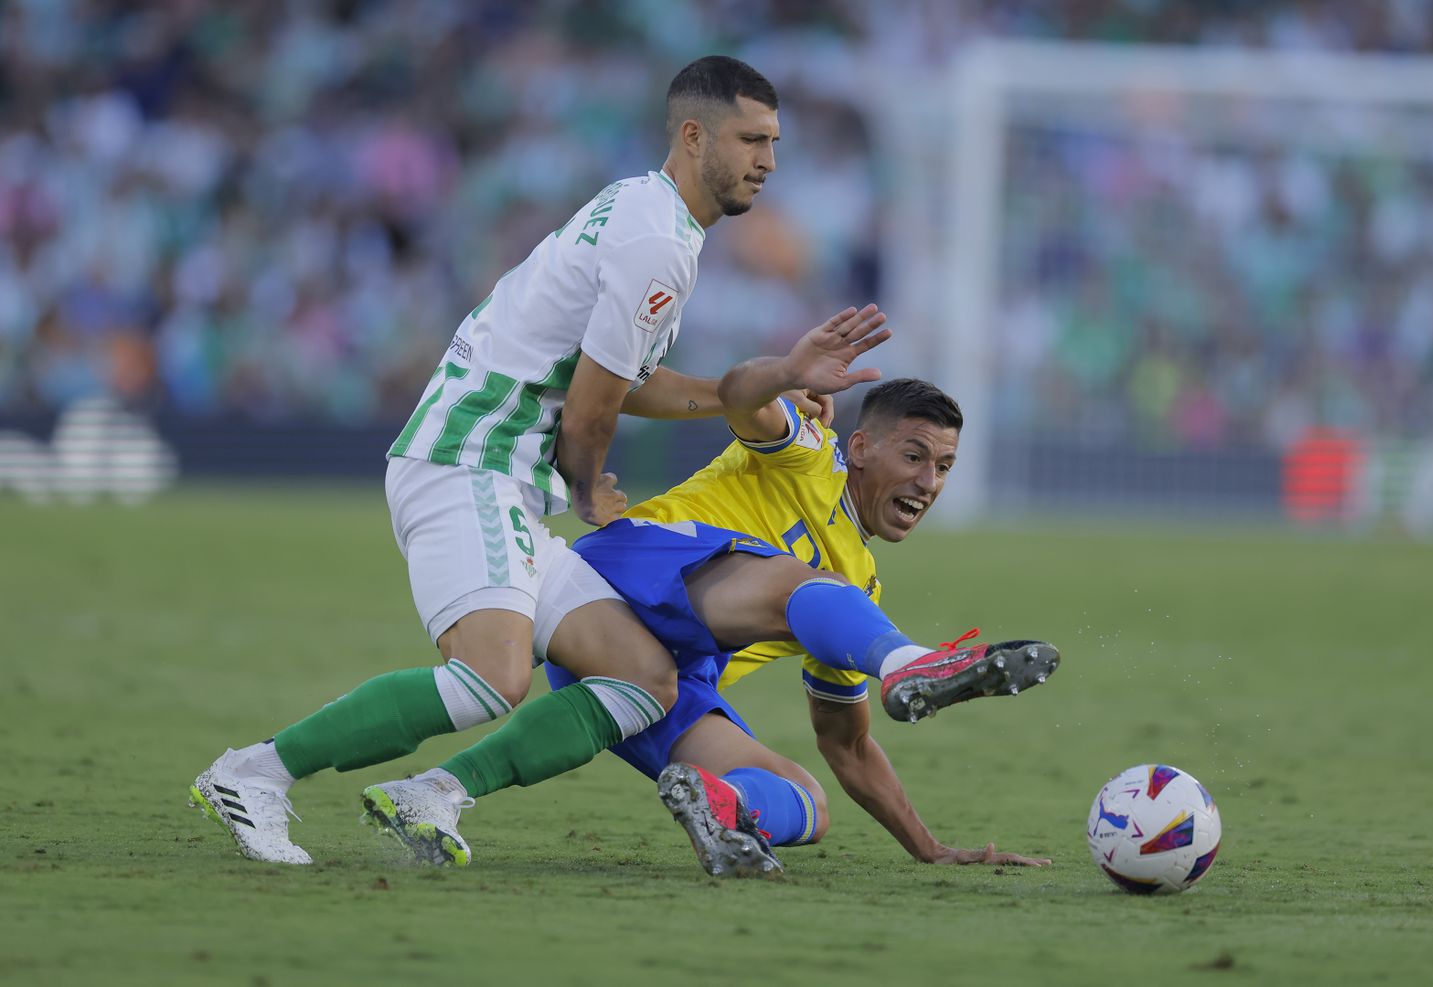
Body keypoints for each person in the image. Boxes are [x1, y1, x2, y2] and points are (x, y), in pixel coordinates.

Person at [187, 55, 826, 865]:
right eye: (752, 139)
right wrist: (592, 489)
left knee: (644, 678)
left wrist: (746, 400)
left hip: (504, 479)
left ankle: (433, 795)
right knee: (493, 675)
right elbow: (592, 407)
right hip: (471, 458)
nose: (767, 160)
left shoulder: (648, 215)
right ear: (694, 135)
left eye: (774, 141)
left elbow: (622, 380)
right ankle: (253, 772)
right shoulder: (657, 242)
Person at [360, 352, 1059, 875]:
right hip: (624, 576)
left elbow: (845, 742)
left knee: (806, 800)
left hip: (656, 670)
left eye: (943, 466)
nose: (928, 482)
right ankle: (910, 662)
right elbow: (741, 399)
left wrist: (929, 848)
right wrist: (789, 370)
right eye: (915, 456)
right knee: (798, 585)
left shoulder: (855, 597)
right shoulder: (810, 453)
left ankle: (719, 807)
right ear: (861, 447)